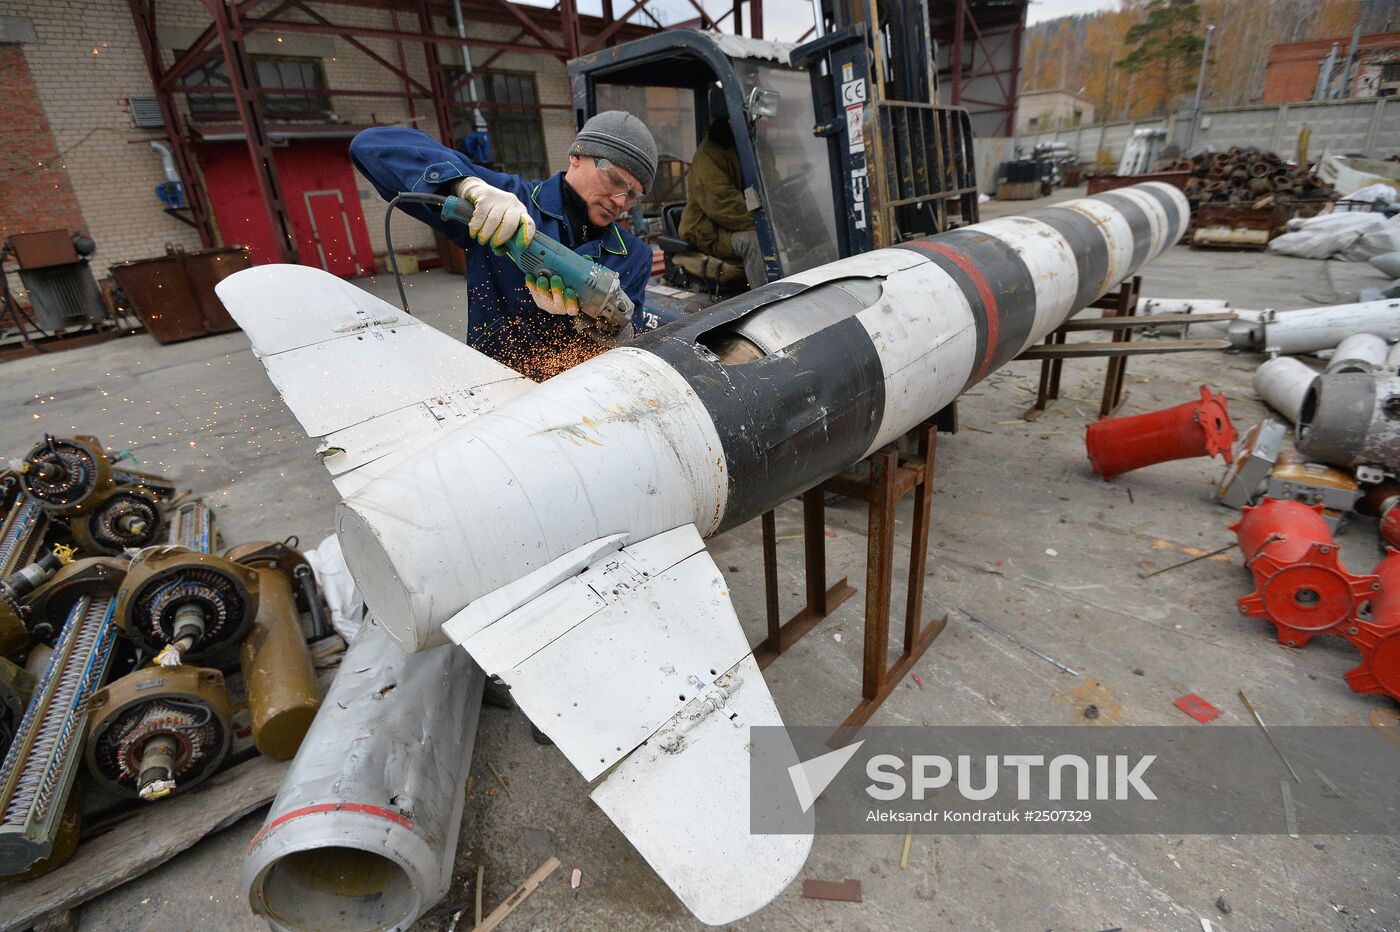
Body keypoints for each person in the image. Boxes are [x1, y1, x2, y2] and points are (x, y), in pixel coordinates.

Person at [349, 112, 657, 375]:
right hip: (493, 389)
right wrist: (465, 185)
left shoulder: (635, 255)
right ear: (577, 155)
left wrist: (594, 324)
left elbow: (632, 343)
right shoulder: (507, 203)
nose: (620, 201)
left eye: (632, 196)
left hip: (578, 403)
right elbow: (369, 146)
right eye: (615, 181)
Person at [679, 104, 766, 289]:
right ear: (729, 121)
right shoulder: (709, 153)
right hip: (709, 230)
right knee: (755, 242)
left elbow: (769, 184)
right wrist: (764, 223)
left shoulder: (749, 148)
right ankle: (766, 303)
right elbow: (721, 203)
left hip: (734, 224)